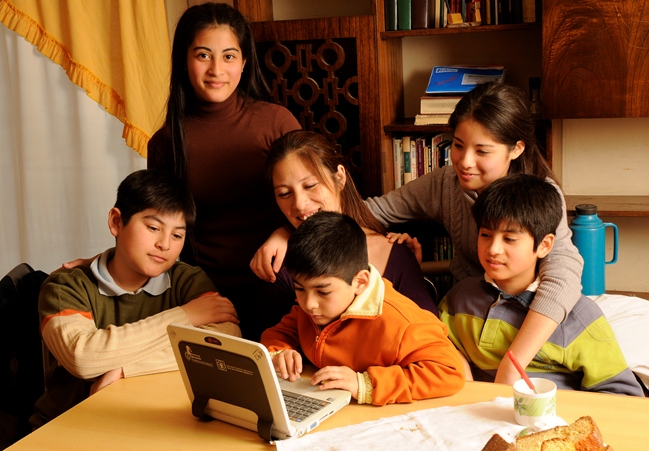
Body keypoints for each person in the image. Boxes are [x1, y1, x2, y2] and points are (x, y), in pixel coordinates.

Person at [364, 82, 584, 385]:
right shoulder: (445, 182)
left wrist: (513, 363)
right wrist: (288, 229)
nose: (464, 162)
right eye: (457, 145)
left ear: (516, 149)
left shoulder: (540, 195)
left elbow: (564, 273)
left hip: (524, 323)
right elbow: (370, 211)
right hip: (463, 316)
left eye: (482, 151)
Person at [30, 169, 242, 428]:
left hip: (149, 424)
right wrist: (187, 316)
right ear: (116, 222)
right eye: (153, 227)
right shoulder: (65, 286)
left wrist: (125, 370)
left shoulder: (187, 280)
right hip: (68, 427)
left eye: (177, 235)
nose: (165, 244)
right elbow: (82, 358)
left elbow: (228, 340)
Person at [146, 2, 301, 341]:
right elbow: (157, 229)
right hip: (205, 294)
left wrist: (283, 233)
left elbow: (319, 203)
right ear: (184, 62)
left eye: (229, 56)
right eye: (203, 55)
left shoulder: (276, 122)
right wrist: (106, 262)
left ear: (244, 63)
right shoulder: (165, 142)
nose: (216, 69)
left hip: (281, 282)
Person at [439, 174, 643, 395]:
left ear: (545, 245)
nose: (493, 249)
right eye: (486, 234)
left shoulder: (579, 318)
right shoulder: (459, 298)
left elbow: (625, 396)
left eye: (509, 239)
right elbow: (438, 344)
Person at [260, 211, 465, 405]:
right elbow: (280, 333)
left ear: (360, 282)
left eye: (323, 292)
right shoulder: (311, 307)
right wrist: (280, 353)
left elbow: (450, 371)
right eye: (300, 289)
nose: (308, 304)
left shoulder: (402, 323)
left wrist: (365, 383)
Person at [251, 130, 439, 316]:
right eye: (284, 193)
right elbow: (274, 341)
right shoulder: (277, 264)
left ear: (340, 177)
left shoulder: (393, 251)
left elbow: (431, 335)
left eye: (310, 185)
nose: (299, 204)